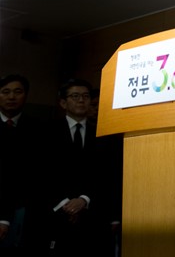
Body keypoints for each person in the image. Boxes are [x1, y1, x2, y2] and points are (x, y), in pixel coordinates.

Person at [35, 79, 119, 257]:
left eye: (85, 96)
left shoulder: (103, 135)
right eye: (75, 96)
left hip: (93, 214)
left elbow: (108, 175)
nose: (81, 100)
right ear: (63, 102)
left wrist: (84, 200)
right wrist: (66, 204)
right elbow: (40, 173)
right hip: (55, 212)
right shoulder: (45, 132)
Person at [0, 74, 44, 256]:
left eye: (17, 92)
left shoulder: (38, 129)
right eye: (5, 92)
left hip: (25, 208)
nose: (11, 97)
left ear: (26, 95)